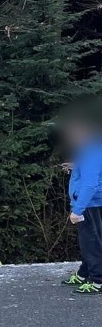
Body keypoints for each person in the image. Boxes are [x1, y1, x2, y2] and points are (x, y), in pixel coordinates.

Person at [61, 113, 102, 294]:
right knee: (89, 242)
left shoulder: (91, 152)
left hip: (91, 204)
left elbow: (90, 184)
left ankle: (98, 281)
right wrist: (75, 166)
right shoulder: (90, 150)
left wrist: (78, 210)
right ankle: (84, 273)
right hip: (92, 203)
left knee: (92, 243)